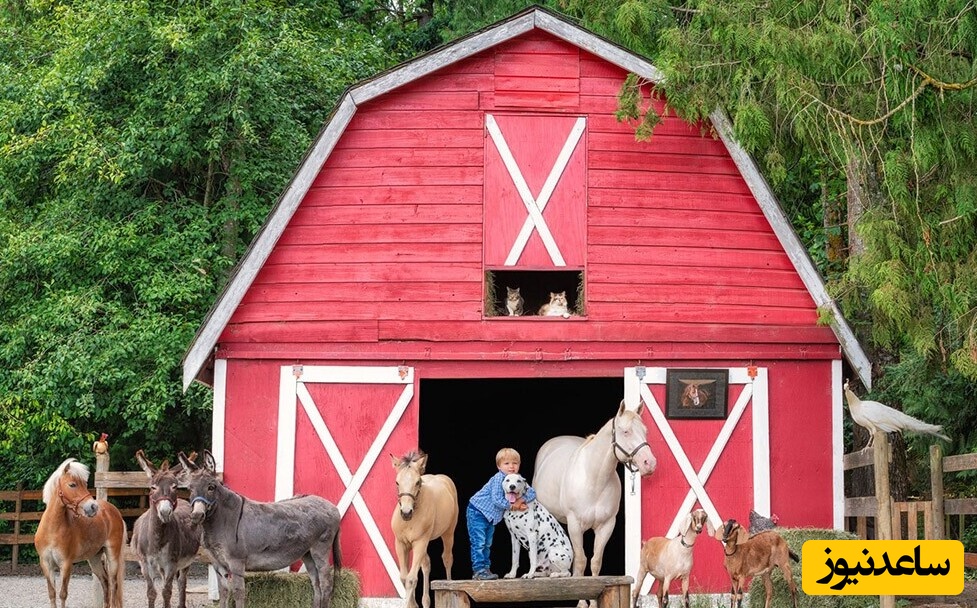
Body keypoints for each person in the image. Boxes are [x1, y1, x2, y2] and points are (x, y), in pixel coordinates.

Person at [467, 447, 537, 580]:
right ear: (499, 466)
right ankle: (478, 570)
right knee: (479, 542)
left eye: (515, 463)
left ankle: (485, 569)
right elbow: (497, 500)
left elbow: (532, 492)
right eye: (507, 463)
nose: (511, 466)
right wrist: (514, 506)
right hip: (478, 512)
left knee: (487, 543)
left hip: (491, 517)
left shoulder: (518, 479)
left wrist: (521, 499)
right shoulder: (499, 478)